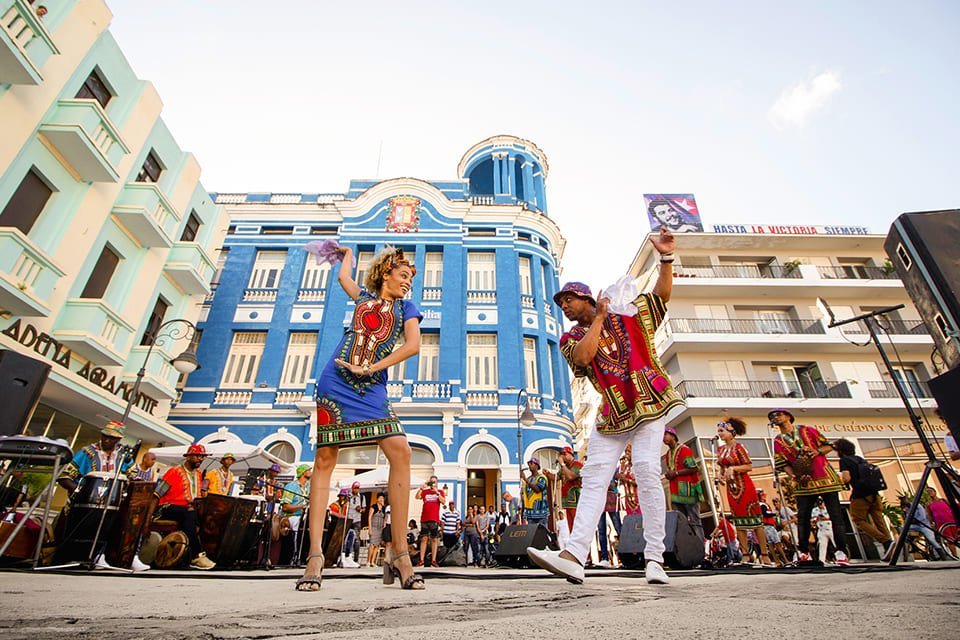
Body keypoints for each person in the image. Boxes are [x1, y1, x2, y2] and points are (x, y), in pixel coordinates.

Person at [528, 227, 681, 586]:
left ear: (585, 297)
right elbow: (584, 356)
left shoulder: (631, 312)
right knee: (595, 477)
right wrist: (598, 318)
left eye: (568, 300)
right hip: (612, 411)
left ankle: (655, 559)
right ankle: (574, 555)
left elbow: (661, 295)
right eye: (561, 303)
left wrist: (666, 258)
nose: (563, 307)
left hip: (648, 401)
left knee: (645, 470)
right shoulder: (572, 336)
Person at [297, 245, 423, 591]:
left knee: (400, 449)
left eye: (410, 278)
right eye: (402, 275)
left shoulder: (406, 308)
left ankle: (399, 553)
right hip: (335, 381)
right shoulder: (363, 296)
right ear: (385, 273)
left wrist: (370, 368)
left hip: (371, 385)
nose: (407, 282)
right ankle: (316, 555)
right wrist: (348, 253)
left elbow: (412, 346)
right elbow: (342, 276)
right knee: (324, 458)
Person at [771, 408, 850, 565]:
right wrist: (793, 475)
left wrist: (817, 451)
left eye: (779, 415)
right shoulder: (778, 440)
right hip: (803, 481)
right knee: (803, 517)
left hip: (824, 476)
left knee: (836, 516)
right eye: (773, 416)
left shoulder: (807, 430)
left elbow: (828, 446)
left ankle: (841, 552)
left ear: (788, 416)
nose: (776, 418)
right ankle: (804, 551)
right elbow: (782, 463)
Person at [716, 418, 773, 566]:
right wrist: (720, 476)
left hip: (744, 485)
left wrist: (733, 469)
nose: (720, 434)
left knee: (755, 521)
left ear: (732, 432)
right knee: (739, 522)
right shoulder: (720, 450)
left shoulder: (739, 447)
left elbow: (748, 466)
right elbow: (722, 467)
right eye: (719, 431)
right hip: (731, 488)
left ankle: (764, 554)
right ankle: (746, 554)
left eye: (722, 431)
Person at [153, 443, 215, 570]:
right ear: (188, 457)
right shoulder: (174, 471)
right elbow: (158, 493)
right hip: (168, 507)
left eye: (202, 457)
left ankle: (212, 554)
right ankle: (196, 556)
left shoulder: (198, 474)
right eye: (197, 456)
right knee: (189, 513)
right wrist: (150, 513)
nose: (201, 459)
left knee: (209, 517)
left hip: (188, 510)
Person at [833, 438, 894, 560]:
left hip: (860, 495)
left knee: (858, 520)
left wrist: (838, 479)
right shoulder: (860, 459)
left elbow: (847, 478)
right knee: (879, 520)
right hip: (874, 494)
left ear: (841, 450)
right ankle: (890, 549)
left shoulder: (844, 460)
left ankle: (885, 541)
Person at [58, 421, 135, 492]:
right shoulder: (86, 452)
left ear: (119, 439)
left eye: (112, 438)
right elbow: (64, 477)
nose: (107, 440)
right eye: (105, 436)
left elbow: (133, 478)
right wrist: (80, 492)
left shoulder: (124, 455)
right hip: (83, 502)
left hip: (112, 502)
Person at [662, 426, 704, 540]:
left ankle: (701, 548)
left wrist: (675, 473)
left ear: (673, 436)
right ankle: (688, 551)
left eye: (665, 434)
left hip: (688, 490)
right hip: (675, 492)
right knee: (681, 523)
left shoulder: (684, 449)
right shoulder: (668, 454)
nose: (663, 437)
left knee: (695, 520)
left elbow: (694, 468)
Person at [280, 464, 312, 565]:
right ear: (303, 472)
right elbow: (285, 507)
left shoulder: (308, 486)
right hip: (292, 516)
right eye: (308, 470)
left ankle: (305, 555)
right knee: (299, 524)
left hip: (304, 516)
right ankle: (295, 555)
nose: (311, 472)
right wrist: (301, 507)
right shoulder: (291, 486)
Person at [898, 495, 945, 560]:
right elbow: (906, 520)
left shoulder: (917, 506)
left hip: (924, 526)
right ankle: (912, 545)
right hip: (915, 526)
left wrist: (912, 520)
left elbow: (922, 517)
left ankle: (943, 556)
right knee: (902, 528)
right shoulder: (907, 509)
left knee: (932, 540)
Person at [415, 475, 444, 568]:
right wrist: (422, 488)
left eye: (434, 482)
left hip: (434, 518)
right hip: (425, 518)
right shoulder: (425, 492)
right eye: (431, 481)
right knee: (424, 539)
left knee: (434, 539)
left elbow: (443, 501)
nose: (433, 483)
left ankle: (433, 560)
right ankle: (421, 560)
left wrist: (437, 492)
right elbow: (417, 497)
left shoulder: (440, 492)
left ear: (437, 483)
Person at [596, 468, 622, 568]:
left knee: (618, 527)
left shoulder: (614, 466)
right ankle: (604, 558)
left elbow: (613, 484)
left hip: (611, 498)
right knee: (601, 530)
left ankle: (624, 555)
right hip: (600, 499)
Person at [759, 491, 788, 566]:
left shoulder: (763, 505)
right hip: (768, 526)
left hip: (768, 526)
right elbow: (765, 514)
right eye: (763, 495)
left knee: (771, 544)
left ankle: (777, 561)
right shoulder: (762, 505)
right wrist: (774, 514)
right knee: (777, 543)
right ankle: (785, 560)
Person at [557, 446, 583, 532]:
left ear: (569, 454)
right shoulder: (564, 468)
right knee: (571, 528)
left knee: (578, 527)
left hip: (576, 501)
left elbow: (571, 476)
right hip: (568, 502)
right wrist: (548, 474)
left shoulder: (577, 465)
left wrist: (562, 464)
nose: (563, 457)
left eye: (564, 454)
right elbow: (556, 477)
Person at [520, 458, 549, 528]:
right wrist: (522, 512)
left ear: (537, 466)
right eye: (529, 463)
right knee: (532, 536)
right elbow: (525, 496)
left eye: (531, 463)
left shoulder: (542, 478)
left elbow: (538, 489)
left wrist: (525, 479)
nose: (529, 465)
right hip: (530, 513)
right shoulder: (529, 478)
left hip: (541, 511)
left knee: (542, 534)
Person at [343, 481, 364, 566]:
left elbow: (364, 509)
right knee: (346, 538)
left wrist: (360, 509)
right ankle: (345, 555)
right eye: (355, 488)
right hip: (348, 519)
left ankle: (355, 558)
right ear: (352, 488)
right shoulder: (349, 496)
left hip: (357, 520)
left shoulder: (362, 497)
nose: (356, 490)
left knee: (356, 539)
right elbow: (344, 505)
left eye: (357, 488)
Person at [367, 494, 386, 566]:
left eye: (383, 498)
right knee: (372, 544)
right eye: (380, 498)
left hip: (380, 528)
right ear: (377, 499)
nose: (381, 500)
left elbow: (385, 518)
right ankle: (368, 561)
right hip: (374, 527)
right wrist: (370, 528)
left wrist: (384, 527)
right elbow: (369, 517)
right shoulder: (373, 507)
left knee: (377, 545)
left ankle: (373, 561)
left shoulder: (384, 508)